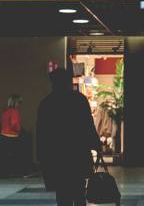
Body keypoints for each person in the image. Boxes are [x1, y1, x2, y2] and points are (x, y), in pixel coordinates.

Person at [37, 68, 102, 206]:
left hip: (56, 156)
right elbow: (88, 126)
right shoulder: (79, 100)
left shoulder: (47, 103)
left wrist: (41, 156)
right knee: (79, 192)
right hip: (78, 154)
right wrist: (96, 145)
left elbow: (42, 133)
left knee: (62, 194)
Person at [0, 94, 31, 178]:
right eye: (19, 102)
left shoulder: (5, 111)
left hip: (3, 136)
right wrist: (20, 130)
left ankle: (3, 174)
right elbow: (14, 124)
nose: (20, 105)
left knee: (5, 157)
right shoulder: (14, 111)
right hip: (12, 136)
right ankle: (24, 173)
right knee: (20, 155)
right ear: (16, 102)